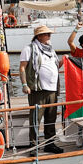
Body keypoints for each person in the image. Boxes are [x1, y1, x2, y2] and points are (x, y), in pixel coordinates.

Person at [19, 24, 63, 154]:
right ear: (38, 36)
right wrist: (24, 85)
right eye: (46, 34)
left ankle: (50, 144)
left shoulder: (51, 50)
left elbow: (55, 67)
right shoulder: (29, 49)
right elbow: (22, 67)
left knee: (51, 118)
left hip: (52, 89)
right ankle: (33, 146)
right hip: (38, 90)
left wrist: (63, 61)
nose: (49, 36)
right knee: (35, 119)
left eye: (49, 34)